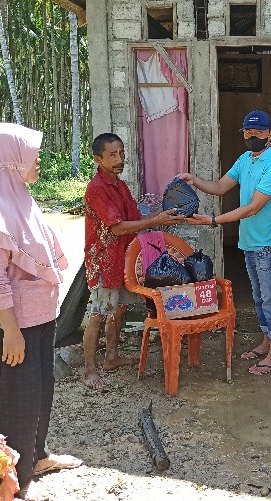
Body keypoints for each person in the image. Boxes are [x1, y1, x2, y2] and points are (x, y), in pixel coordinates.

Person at [0, 123, 82, 501]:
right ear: (9, 161)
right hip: (15, 328)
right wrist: (12, 331)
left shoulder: (18, 197)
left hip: (39, 321)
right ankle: (13, 484)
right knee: (18, 405)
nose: (39, 160)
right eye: (32, 154)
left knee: (41, 394)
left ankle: (37, 458)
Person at [181, 110, 271, 375]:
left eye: (258, 132)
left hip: (267, 242)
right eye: (248, 132)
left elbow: (253, 208)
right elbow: (219, 186)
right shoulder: (245, 159)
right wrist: (195, 181)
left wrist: (213, 220)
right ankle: (266, 343)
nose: (252, 136)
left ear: (270, 133)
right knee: (259, 297)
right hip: (249, 242)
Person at [82, 132, 185, 390]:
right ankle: (89, 370)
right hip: (104, 260)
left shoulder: (120, 185)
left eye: (122, 153)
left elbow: (136, 217)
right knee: (98, 313)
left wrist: (163, 219)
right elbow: (117, 228)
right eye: (112, 155)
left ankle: (111, 357)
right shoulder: (97, 189)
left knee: (119, 309)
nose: (120, 159)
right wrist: (157, 220)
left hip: (123, 257)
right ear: (98, 159)